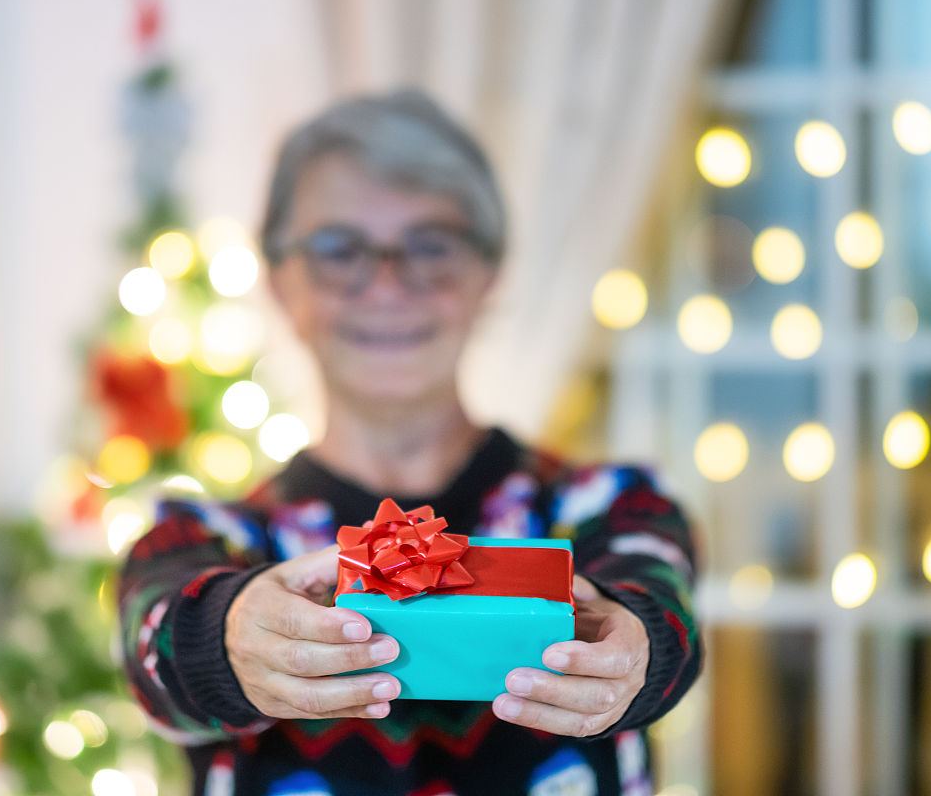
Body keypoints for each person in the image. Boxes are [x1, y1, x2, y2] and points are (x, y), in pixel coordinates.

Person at [117, 88, 702, 796]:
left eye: (431, 246)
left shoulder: (611, 505)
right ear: (280, 282)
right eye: (339, 250)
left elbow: (661, 605)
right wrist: (224, 636)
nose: (388, 285)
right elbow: (155, 641)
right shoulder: (202, 537)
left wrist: (634, 646)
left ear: (489, 274)